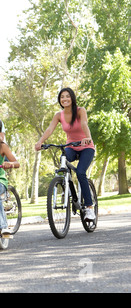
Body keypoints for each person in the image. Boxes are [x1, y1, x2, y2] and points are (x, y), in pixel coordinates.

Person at [34, 87, 96, 221]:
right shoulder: (59, 115)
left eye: (67, 96)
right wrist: (40, 142)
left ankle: (89, 207)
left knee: (80, 172)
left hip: (86, 146)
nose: (65, 99)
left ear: (72, 98)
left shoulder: (81, 111)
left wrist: (88, 137)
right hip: (71, 146)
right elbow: (50, 129)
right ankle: (66, 185)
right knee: (63, 159)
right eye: (62, 97)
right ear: (59, 100)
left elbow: (84, 124)